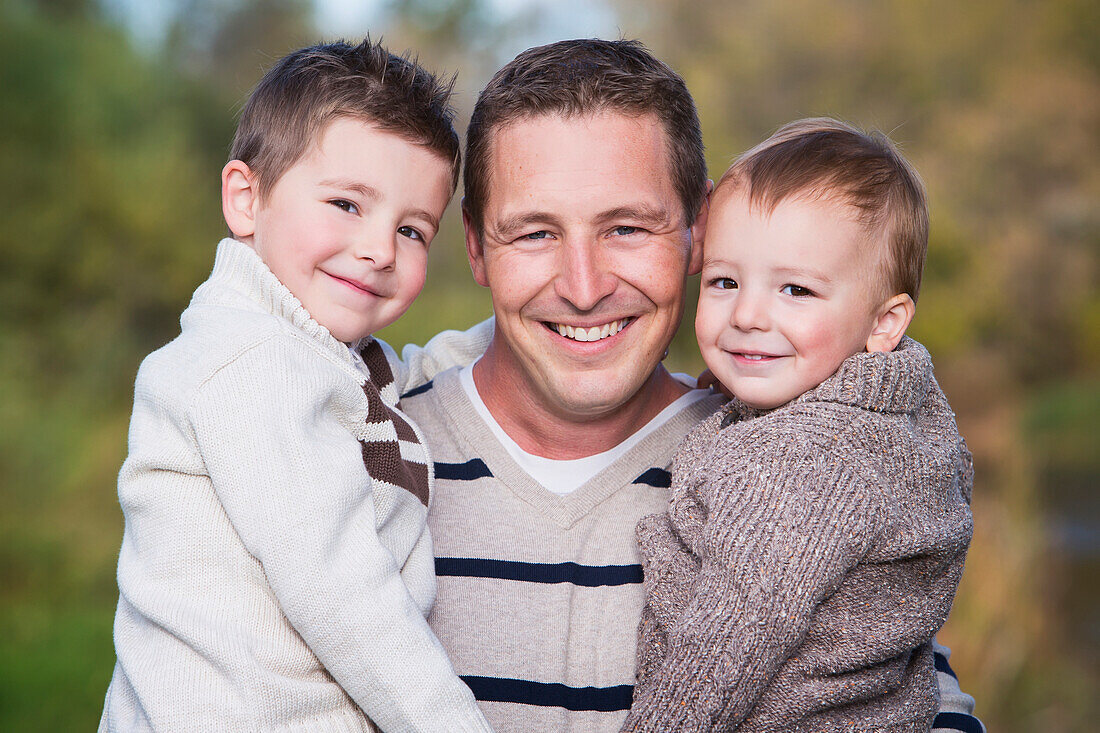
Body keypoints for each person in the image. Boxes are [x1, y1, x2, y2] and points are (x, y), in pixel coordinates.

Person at [399, 39, 985, 732]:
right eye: (534, 234)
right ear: (474, 245)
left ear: (698, 230)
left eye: (626, 227)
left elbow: (898, 683)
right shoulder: (367, 456)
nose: (584, 288)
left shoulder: (779, 452)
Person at [98, 38, 493, 732]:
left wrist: (536, 326)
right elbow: (341, 593)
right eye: (346, 204)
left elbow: (420, 367)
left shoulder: (319, 351)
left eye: (411, 229)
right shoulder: (252, 368)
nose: (378, 248)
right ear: (247, 199)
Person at [622, 118, 973, 731]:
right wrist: (749, 390)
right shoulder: (901, 418)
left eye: (797, 291)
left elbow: (718, 655)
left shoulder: (801, 468)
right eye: (725, 282)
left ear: (884, 323)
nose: (750, 315)